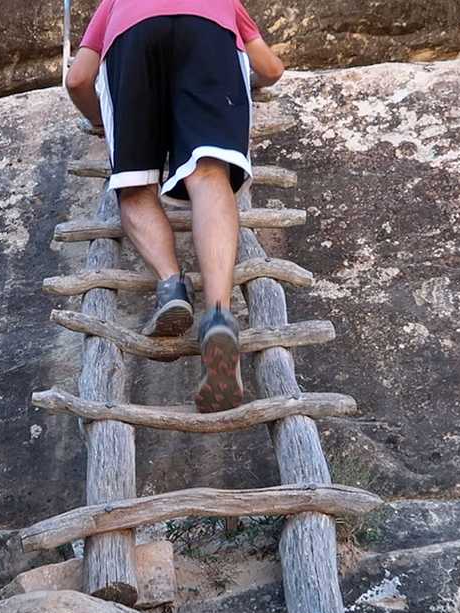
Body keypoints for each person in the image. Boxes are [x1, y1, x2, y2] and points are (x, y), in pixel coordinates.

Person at [66, 0, 284, 413]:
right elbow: (271, 69)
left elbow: (78, 79)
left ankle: (170, 285)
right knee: (208, 174)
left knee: (134, 185)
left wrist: (101, 120)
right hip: (210, 37)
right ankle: (218, 315)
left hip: (131, 41)